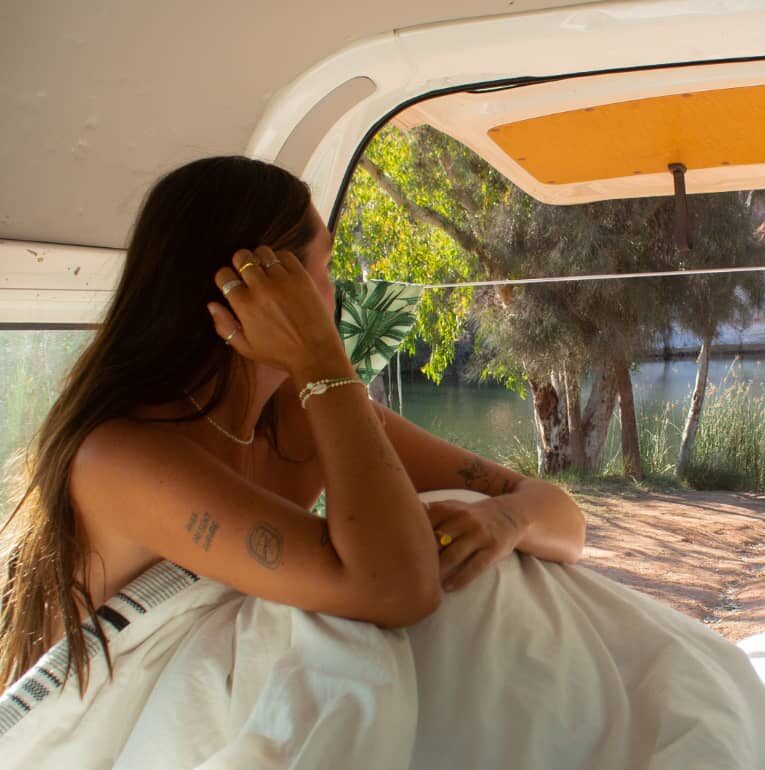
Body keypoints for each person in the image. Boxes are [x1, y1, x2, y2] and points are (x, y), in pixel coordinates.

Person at [0, 155, 586, 693]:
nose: (337, 294)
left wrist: (504, 518)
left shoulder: (296, 417)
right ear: (267, 292)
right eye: (326, 269)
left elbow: (562, 519)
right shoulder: (121, 459)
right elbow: (400, 588)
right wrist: (321, 357)